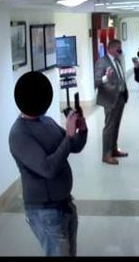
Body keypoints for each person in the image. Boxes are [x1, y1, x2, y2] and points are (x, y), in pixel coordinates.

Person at [9, 71, 88, 256]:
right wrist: (68, 135)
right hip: (46, 213)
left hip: (65, 203)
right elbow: (48, 169)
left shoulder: (47, 121)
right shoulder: (19, 134)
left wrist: (81, 130)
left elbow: (74, 146)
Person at [94, 39, 129, 165]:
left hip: (120, 97)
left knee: (116, 125)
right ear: (112, 48)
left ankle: (114, 149)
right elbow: (96, 82)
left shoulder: (117, 60)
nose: (120, 51)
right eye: (119, 49)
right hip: (109, 99)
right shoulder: (101, 62)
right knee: (109, 127)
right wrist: (105, 78)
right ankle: (106, 155)